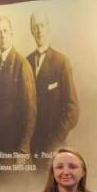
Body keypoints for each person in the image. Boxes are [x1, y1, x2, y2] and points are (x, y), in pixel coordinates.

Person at [27, 13, 79, 159]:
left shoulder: (61, 62)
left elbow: (73, 109)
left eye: (42, 26)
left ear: (48, 28)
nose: (39, 30)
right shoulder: (26, 62)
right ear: (31, 31)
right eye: (35, 27)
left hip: (55, 149)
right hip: (31, 149)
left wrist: (56, 139)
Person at [0, 16, 36, 157]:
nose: (2, 35)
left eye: (5, 31)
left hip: (16, 148)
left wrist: (23, 148)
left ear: (11, 33)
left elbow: (30, 110)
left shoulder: (22, 64)